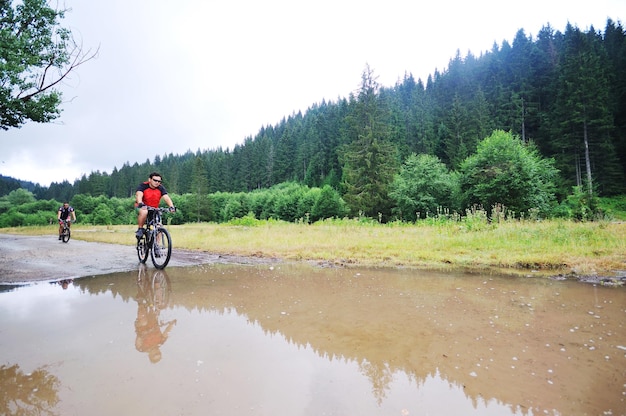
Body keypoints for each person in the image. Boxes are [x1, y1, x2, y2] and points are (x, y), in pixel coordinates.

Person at [135, 172, 175, 239]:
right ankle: (140, 229)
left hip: (154, 208)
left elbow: (166, 197)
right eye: (155, 180)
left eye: (159, 181)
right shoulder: (143, 186)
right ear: (150, 179)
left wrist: (171, 206)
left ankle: (156, 247)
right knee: (144, 211)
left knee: (158, 227)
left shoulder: (160, 188)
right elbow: (139, 194)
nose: (157, 182)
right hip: (142, 207)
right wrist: (140, 203)